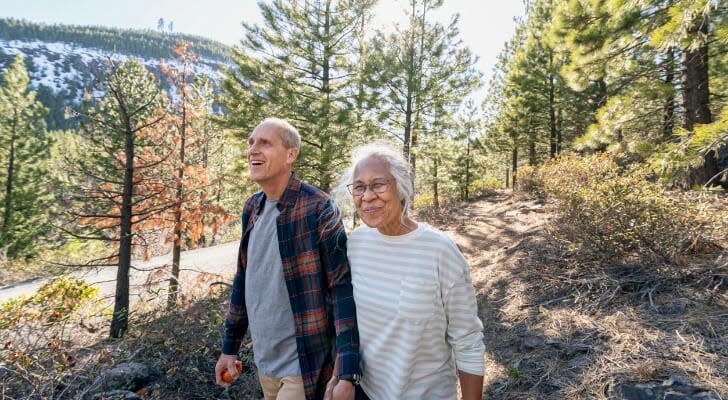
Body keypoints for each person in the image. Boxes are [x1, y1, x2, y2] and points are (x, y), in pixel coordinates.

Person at [215, 118, 361, 400]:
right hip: (265, 364)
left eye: (265, 143)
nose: (253, 150)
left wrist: (347, 371)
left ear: (291, 155)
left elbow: (342, 290)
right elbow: (243, 280)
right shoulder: (252, 208)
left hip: (304, 367)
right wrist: (229, 347)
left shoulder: (318, 208)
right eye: (251, 142)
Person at [328, 143, 485, 400]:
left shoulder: (440, 251)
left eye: (378, 184)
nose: (367, 196)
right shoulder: (355, 244)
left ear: (401, 188)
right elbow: (350, 321)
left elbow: (467, 341)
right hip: (366, 392)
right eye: (359, 187)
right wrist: (340, 376)